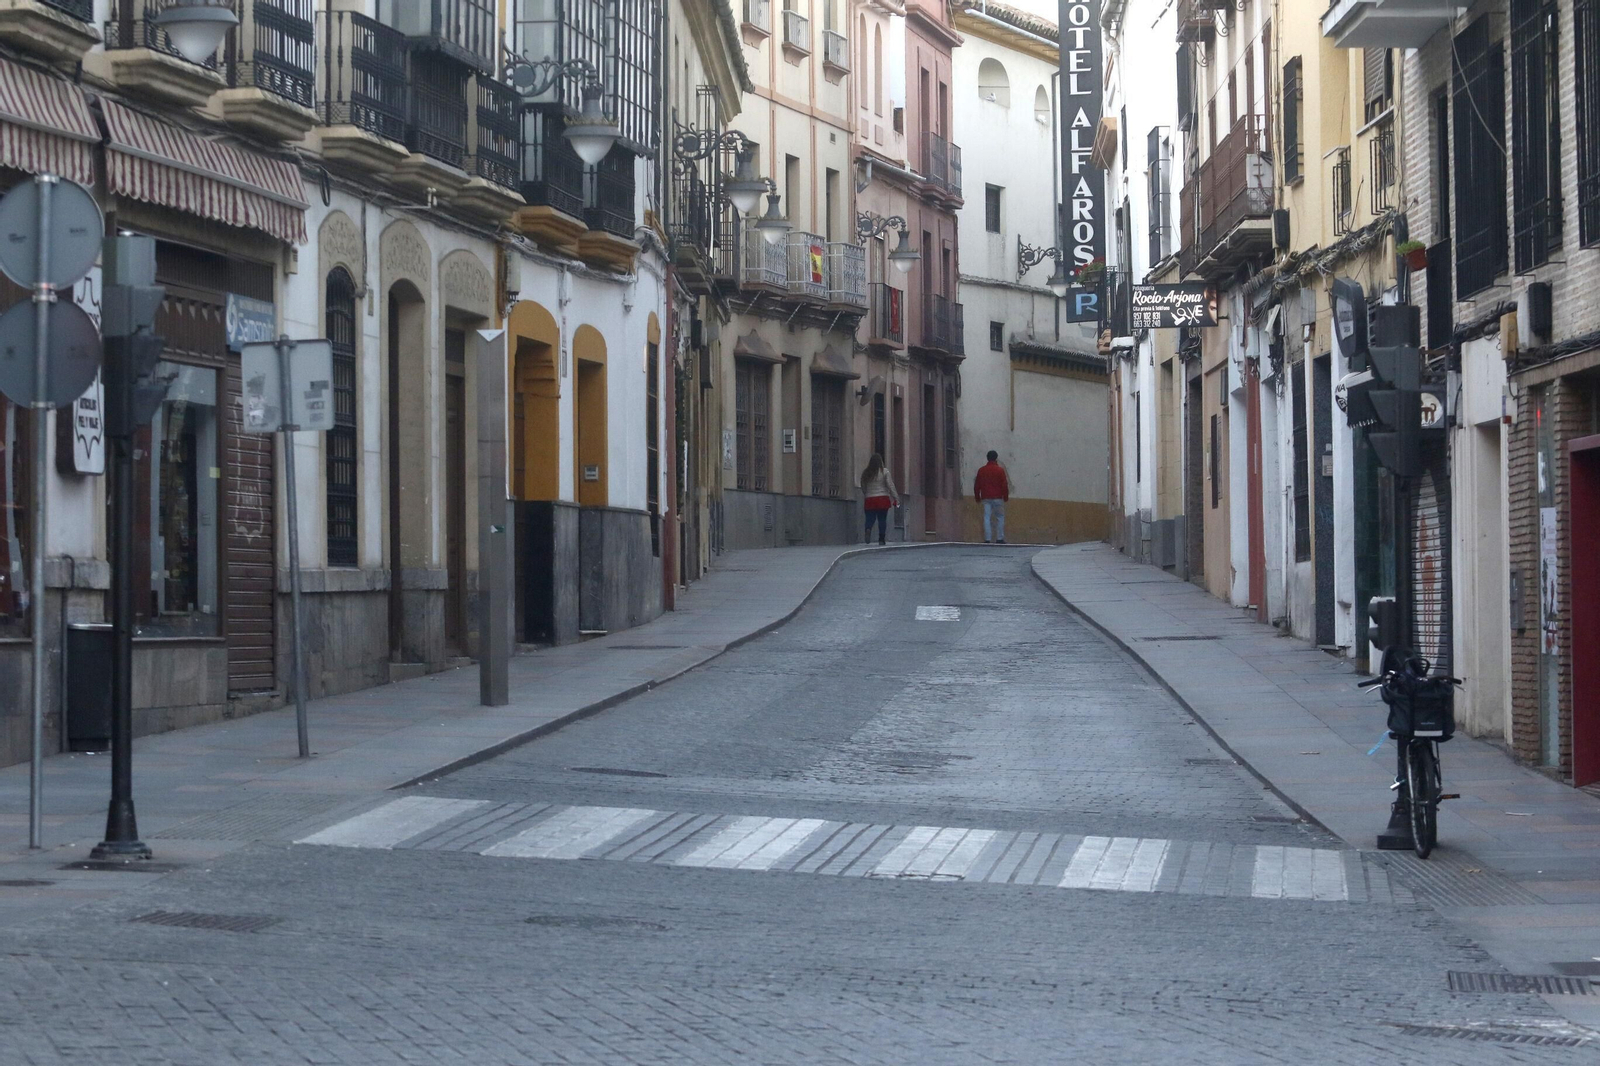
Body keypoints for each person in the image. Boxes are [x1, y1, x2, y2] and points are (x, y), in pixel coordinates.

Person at [859, 453, 899, 546]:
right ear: (881, 462)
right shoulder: (885, 472)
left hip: (870, 499)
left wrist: (867, 493)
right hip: (882, 498)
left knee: (870, 518)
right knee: (882, 519)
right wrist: (896, 497)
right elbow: (890, 485)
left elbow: (863, 485)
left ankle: (868, 528)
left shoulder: (866, 472)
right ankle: (881, 539)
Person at [974, 450, 1011, 544]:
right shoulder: (1000, 470)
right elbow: (1004, 485)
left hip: (986, 497)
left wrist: (977, 497)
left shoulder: (981, 470)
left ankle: (987, 539)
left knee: (987, 517)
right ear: (996, 458)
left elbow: (977, 485)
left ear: (987, 458)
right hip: (998, 497)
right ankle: (999, 538)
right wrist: (1005, 497)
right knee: (1000, 517)